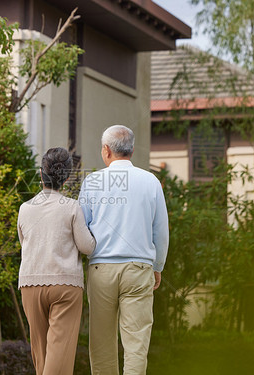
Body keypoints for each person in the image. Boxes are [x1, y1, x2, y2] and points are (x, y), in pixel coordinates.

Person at [79, 125, 169, 375]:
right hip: (139, 269)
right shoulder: (150, 181)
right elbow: (160, 230)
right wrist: (158, 266)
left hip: (101, 269)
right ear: (131, 150)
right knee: (136, 343)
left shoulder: (92, 181)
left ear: (106, 150)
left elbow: (81, 229)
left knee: (102, 343)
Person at [17, 147, 96, 375]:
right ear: (67, 178)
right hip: (65, 285)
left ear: (41, 173)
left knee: (40, 353)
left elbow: (25, 243)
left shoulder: (24, 208)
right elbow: (86, 246)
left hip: (30, 283)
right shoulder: (72, 207)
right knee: (59, 352)